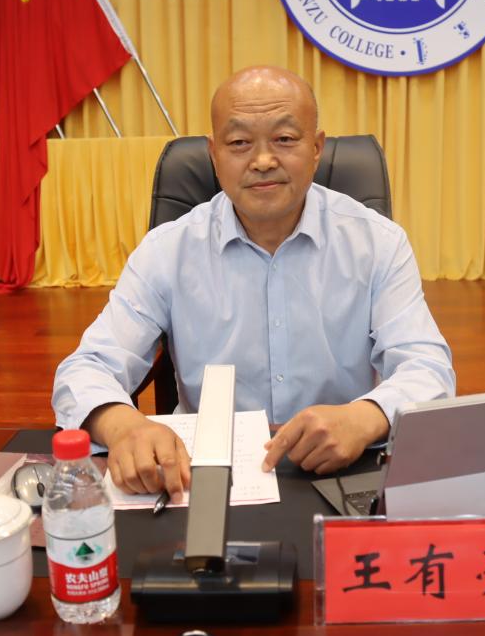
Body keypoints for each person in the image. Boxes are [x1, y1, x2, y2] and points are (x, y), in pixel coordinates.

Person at [52, 66, 455, 498]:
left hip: (341, 470)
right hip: (203, 475)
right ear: (214, 154)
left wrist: (366, 416)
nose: (263, 161)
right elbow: (86, 368)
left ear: (316, 148)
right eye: (240, 143)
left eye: (284, 139)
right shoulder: (168, 250)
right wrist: (124, 426)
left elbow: (428, 368)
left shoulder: (377, 243)